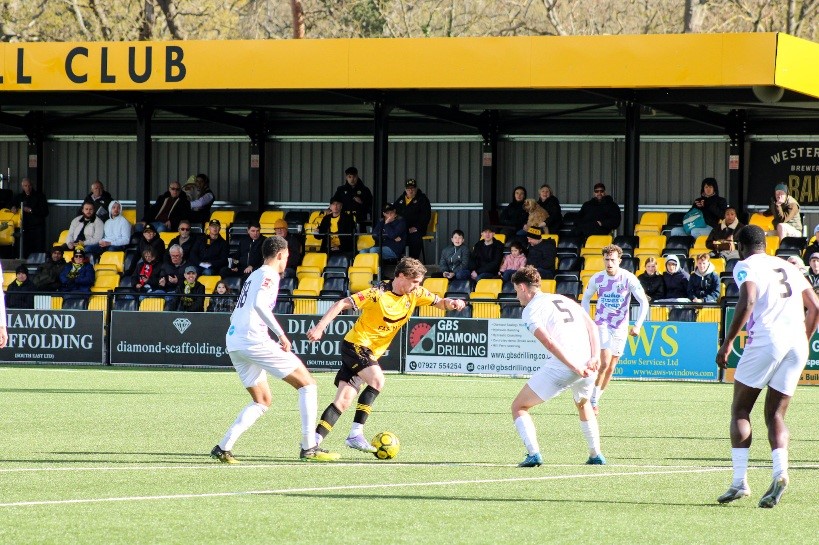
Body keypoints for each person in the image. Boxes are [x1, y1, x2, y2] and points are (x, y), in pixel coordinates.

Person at [306, 257, 465, 453]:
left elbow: (440, 302)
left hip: (368, 352)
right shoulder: (376, 295)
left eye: (419, 283)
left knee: (343, 400)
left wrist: (453, 302)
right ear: (401, 276)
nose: (417, 286)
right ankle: (355, 434)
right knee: (377, 380)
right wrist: (320, 328)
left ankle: (312, 443)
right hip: (356, 345)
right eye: (415, 281)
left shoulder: (415, 294)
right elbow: (340, 304)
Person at [716, 225, 819, 507]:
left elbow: (748, 299)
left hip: (766, 340)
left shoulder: (745, 265)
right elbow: (815, 307)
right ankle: (780, 472)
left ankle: (739, 482)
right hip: (797, 343)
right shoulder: (788, 266)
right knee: (775, 414)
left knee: (740, 410)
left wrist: (727, 342)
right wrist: (804, 339)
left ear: (741, 246)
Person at [214, 236, 340, 463]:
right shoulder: (269, 275)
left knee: (262, 400)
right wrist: (281, 334)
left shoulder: (253, 275)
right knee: (308, 384)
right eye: (287, 256)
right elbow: (259, 304)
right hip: (253, 340)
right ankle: (309, 447)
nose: (287, 261)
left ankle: (223, 447)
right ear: (280, 254)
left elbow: (241, 309)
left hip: (234, 340)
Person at [510, 265, 605, 467]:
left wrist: (575, 367)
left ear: (523, 287)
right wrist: (595, 356)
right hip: (589, 362)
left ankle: (534, 454)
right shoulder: (563, 299)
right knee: (583, 403)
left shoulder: (531, 310)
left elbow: (550, 343)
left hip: (567, 365)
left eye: (517, 290)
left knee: (519, 406)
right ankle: (596, 454)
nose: (517, 296)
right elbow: (592, 326)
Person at [581, 244, 649, 415]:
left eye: (612, 260)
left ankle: (595, 398)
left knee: (611, 366)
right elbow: (586, 299)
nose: (609, 263)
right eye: (606, 260)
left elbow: (644, 302)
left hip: (620, 326)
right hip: (602, 323)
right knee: (604, 363)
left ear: (619, 260)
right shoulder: (597, 278)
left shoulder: (628, 278)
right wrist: (587, 320)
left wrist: (638, 325)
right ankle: (591, 399)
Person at [392, 178, 432, 260]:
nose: (410, 191)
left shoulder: (422, 199)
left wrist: (417, 227)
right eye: (408, 189)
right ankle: (396, 260)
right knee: (392, 235)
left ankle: (412, 261)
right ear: (405, 189)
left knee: (414, 237)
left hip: (416, 228)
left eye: (412, 189)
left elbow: (426, 216)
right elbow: (393, 212)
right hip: (402, 228)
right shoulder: (401, 199)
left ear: (416, 189)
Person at [11, 177, 49, 257]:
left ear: (32, 185)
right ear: (22, 186)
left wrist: (31, 210)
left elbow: (45, 212)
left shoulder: (40, 196)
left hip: (37, 228)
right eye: (25, 186)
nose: (28, 188)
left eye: (29, 185)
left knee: (38, 248)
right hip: (24, 227)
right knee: (24, 248)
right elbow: (10, 204)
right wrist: (13, 207)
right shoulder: (19, 197)